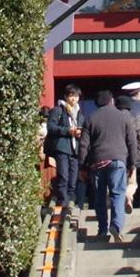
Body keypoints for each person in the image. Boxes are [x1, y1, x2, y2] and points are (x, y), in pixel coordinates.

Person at [79, 87, 140, 242]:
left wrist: (82, 166)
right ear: (112, 101)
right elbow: (132, 142)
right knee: (117, 194)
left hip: (97, 162)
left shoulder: (91, 118)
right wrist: (133, 164)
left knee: (100, 198)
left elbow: (83, 145)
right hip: (118, 160)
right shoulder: (124, 117)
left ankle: (102, 229)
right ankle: (116, 226)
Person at [43, 84, 84, 214]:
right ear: (66, 96)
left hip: (74, 148)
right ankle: (63, 200)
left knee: (73, 176)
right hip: (62, 147)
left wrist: (79, 133)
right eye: (71, 95)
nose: (74, 99)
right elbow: (51, 127)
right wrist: (68, 131)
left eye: (76, 96)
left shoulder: (79, 113)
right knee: (63, 175)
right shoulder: (58, 110)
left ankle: (71, 198)